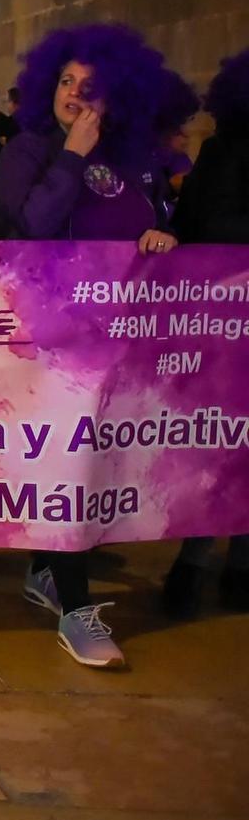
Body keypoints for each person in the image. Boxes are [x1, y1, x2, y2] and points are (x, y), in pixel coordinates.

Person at [0, 23, 195, 667]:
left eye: (90, 86)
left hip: (119, 337)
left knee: (94, 460)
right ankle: (77, 609)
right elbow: (29, 226)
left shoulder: (133, 157)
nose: (75, 95)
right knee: (69, 464)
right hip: (51, 337)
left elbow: (149, 218)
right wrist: (73, 154)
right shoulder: (27, 149)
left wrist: (161, 236)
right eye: (65, 82)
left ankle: (45, 571)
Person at [164, 47, 249, 618]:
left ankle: (206, 562)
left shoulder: (218, 152)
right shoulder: (220, 155)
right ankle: (208, 560)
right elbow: (196, 225)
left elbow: (194, 223)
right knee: (220, 438)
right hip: (220, 316)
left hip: (217, 315)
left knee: (221, 440)